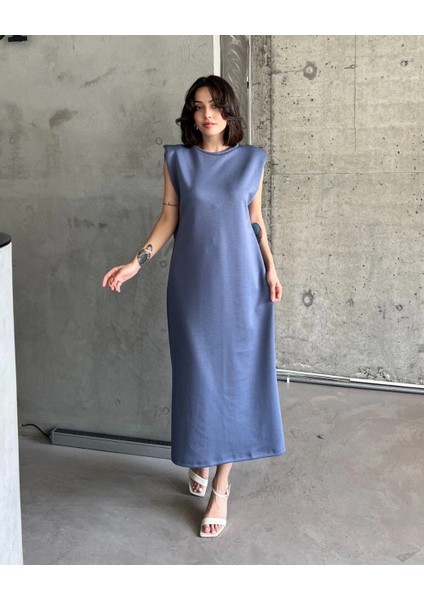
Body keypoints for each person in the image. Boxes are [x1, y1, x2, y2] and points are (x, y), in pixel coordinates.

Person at [102, 75, 285, 538]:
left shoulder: (253, 160)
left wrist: (271, 267)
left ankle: (221, 486)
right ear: (191, 113)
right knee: (199, 378)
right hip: (193, 288)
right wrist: (136, 262)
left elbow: (255, 220)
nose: (208, 114)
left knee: (237, 380)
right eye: (199, 106)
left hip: (244, 286)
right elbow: (170, 217)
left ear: (230, 111)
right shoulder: (177, 160)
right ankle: (201, 454)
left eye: (216, 105)